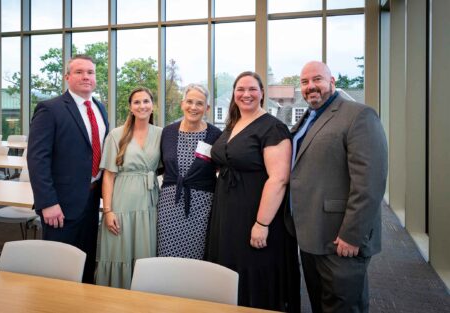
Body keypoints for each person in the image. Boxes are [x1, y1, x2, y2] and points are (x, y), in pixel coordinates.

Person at [288, 61, 388, 313]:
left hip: (340, 239)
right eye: (304, 82)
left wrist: (352, 234)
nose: (311, 86)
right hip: (311, 236)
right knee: (321, 305)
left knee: (344, 307)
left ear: (332, 83)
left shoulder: (358, 115)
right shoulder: (308, 119)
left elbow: (370, 182)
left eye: (317, 79)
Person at [206, 71, 300, 312]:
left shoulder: (273, 128)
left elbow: (279, 179)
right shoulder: (233, 124)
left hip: (254, 212)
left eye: (252, 89)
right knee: (229, 270)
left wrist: (262, 223)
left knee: (252, 271)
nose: (245, 94)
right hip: (227, 212)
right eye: (240, 89)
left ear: (262, 93)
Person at [27, 54, 109, 283]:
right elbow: (37, 159)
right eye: (79, 72)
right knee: (58, 269)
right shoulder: (50, 109)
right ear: (67, 77)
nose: (86, 77)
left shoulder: (100, 108)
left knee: (86, 261)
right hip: (59, 205)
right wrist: (48, 203)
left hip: (92, 200)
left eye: (90, 72)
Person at [95, 87, 162, 289]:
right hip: (121, 202)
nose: (142, 106)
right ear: (130, 107)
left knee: (144, 252)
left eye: (146, 101)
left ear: (152, 106)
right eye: (137, 102)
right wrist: (108, 211)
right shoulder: (116, 135)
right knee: (118, 251)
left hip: (149, 203)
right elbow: (108, 175)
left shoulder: (161, 134)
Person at [157, 84, 221, 259]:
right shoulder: (168, 132)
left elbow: (222, 168)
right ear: (182, 104)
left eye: (199, 103)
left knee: (197, 256)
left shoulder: (216, 135)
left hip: (203, 206)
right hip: (169, 204)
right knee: (167, 254)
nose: (193, 107)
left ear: (206, 108)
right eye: (189, 102)